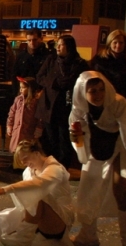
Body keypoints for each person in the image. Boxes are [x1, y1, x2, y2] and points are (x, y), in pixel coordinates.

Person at [70, 72, 126, 246]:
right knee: (88, 190)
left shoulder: (118, 103)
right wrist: (77, 141)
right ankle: (88, 235)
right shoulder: (79, 108)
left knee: (121, 188)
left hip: (121, 148)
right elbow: (75, 132)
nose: (98, 95)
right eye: (92, 91)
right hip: (95, 150)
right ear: (83, 92)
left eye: (100, 90)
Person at [0, 140, 80, 246]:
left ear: (37, 153)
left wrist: (5, 189)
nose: (24, 163)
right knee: (9, 219)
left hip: (60, 221)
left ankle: (25, 236)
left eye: (26, 158)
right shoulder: (28, 172)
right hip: (41, 219)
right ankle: (26, 231)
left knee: (37, 193)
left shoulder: (55, 168)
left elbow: (40, 184)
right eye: (21, 160)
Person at [35, 35, 88, 169]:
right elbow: (39, 77)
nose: (58, 47)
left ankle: (63, 166)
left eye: (61, 44)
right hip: (49, 106)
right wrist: (54, 83)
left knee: (65, 138)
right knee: (50, 138)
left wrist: (68, 83)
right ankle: (51, 166)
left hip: (67, 106)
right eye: (57, 44)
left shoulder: (79, 63)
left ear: (69, 47)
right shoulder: (51, 60)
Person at [90, 29, 126, 128]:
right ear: (110, 43)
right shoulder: (100, 60)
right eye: (115, 42)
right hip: (106, 102)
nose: (118, 46)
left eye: (121, 42)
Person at [7, 77, 44, 163]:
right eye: (20, 87)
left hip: (29, 130)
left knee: (27, 148)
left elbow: (40, 116)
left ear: (30, 89)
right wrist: (10, 125)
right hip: (17, 130)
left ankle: (25, 165)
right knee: (16, 147)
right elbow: (12, 113)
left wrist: (39, 128)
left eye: (23, 88)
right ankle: (15, 164)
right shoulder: (18, 100)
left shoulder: (35, 102)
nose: (20, 90)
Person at [11, 28, 48, 97]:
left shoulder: (47, 56)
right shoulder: (21, 56)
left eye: (34, 40)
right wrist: (16, 93)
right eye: (29, 40)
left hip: (40, 94)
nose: (32, 43)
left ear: (41, 39)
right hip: (23, 94)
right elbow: (15, 75)